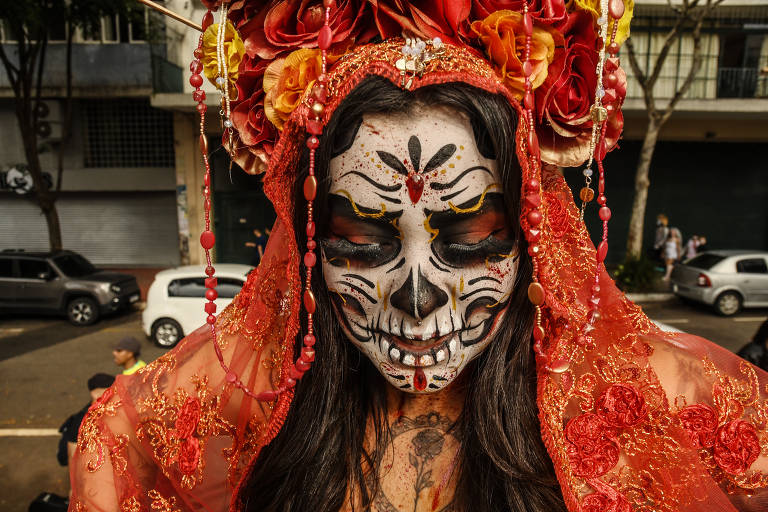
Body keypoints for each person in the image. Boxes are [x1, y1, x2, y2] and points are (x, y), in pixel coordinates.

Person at [69, 3, 768, 512]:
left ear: (534, 239)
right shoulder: (188, 421)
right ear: (308, 249)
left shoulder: (682, 405)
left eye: (469, 238)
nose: (417, 293)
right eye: (363, 240)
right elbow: (121, 444)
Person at [57, 373, 115, 468]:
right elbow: (72, 457)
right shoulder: (81, 421)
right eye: (109, 391)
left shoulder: (108, 411)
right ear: (95, 393)